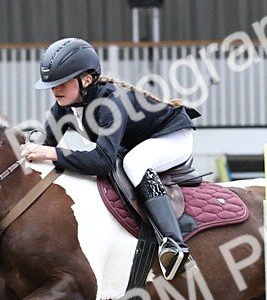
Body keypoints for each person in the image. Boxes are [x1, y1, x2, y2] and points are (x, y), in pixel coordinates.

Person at [19, 37, 199, 280]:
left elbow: (102, 161)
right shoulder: (62, 108)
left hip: (172, 135)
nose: (55, 90)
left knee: (134, 163)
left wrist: (52, 153)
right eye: (52, 84)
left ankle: (174, 245)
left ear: (86, 79)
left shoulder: (110, 102)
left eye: (62, 83)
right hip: (136, 142)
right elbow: (46, 145)